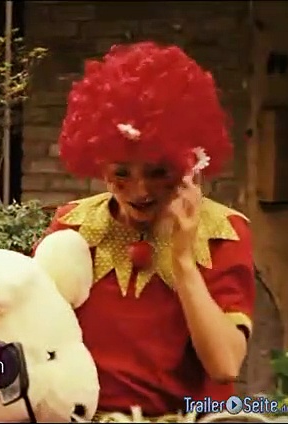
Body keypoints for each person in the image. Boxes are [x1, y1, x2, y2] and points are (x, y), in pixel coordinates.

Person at [34, 41, 255, 419]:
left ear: (187, 165)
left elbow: (225, 365)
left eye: (158, 172)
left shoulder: (223, 232)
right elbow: (37, 336)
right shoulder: (73, 225)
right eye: (121, 173)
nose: (140, 191)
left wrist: (183, 260)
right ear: (100, 164)